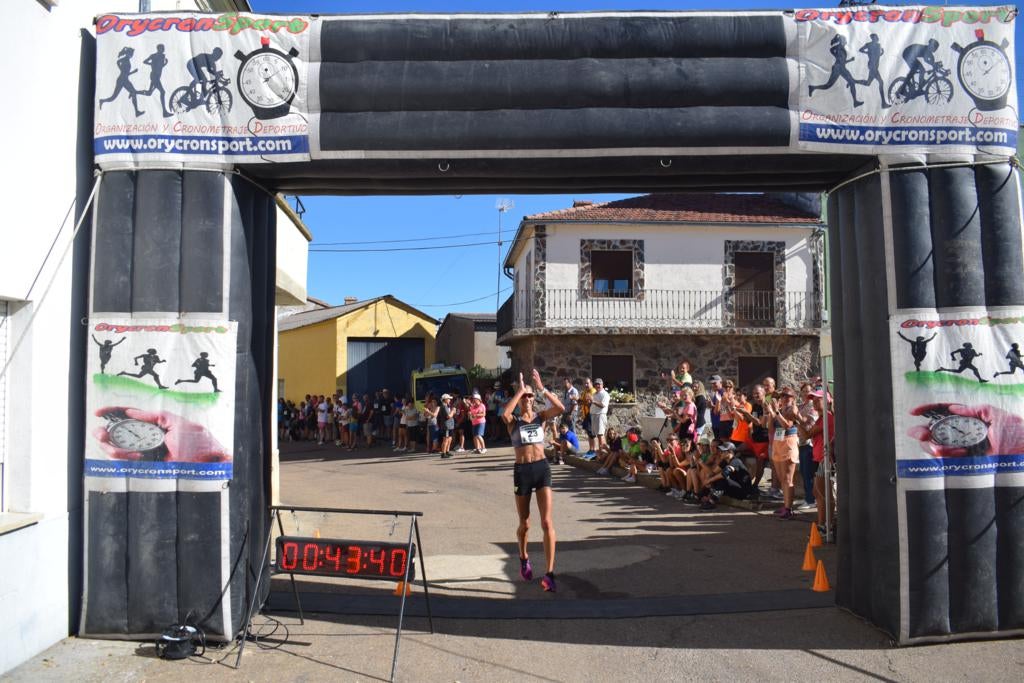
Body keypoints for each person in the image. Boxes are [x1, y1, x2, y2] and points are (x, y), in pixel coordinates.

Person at [503, 369, 564, 592]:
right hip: (522, 471)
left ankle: (549, 574)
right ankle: (523, 556)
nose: (528, 399)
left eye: (530, 396)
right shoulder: (514, 420)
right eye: (525, 397)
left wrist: (542, 389)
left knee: (547, 522)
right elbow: (504, 414)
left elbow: (560, 408)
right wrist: (520, 391)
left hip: (542, 468)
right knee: (525, 523)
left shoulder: (541, 418)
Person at [768, 387, 802, 519]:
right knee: (782, 477)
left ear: (793, 398)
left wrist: (776, 411)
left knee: (788, 478)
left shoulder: (792, 409)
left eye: (787, 396)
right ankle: (785, 505)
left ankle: (789, 508)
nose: (784, 398)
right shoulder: (780, 410)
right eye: (782, 396)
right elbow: (770, 428)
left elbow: (786, 425)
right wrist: (771, 413)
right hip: (778, 442)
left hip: (788, 442)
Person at [734, 385, 773, 496]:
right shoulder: (755, 406)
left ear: (764, 393)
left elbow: (759, 423)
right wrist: (743, 414)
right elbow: (749, 421)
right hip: (753, 439)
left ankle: (754, 486)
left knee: (760, 461)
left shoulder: (766, 405)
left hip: (763, 440)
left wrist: (746, 413)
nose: (755, 395)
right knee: (735, 450)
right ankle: (738, 478)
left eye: (758, 393)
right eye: (754, 393)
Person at [807, 34, 863, 107]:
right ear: (842, 41)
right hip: (838, 68)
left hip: (841, 67)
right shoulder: (840, 47)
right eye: (845, 40)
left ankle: (855, 102)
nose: (846, 41)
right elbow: (833, 51)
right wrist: (836, 55)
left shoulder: (841, 48)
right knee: (828, 85)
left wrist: (849, 60)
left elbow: (841, 61)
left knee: (851, 83)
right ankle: (812, 87)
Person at [796, 382, 819, 511]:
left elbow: (807, 422)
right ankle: (808, 497)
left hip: (809, 442)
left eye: (808, 391)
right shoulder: (801, 405)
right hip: (801, 441)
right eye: (804, 391)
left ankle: (811, 499)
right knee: (804, 472)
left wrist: (796, 416)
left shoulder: (812, 406)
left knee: (808, 472)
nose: (806, 393)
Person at [857, 34, 890, 108]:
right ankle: (883, 103)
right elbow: (860, 49)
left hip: (875, 65)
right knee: (881, 82)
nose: (877, 38)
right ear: (872, 38)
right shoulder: (868, 44)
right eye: (875, 37)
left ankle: (853, 81)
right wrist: (868, 53)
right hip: (872, 66)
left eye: (877, 37)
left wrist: (882, 53)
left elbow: (877, 55)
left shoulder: (878, 45)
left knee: (868, 83)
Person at [590, 378, 610, 452]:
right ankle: (602, 452)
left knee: (600, 435)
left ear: (602, 385)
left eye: (599, 384)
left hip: (600, 415)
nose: (597, 385)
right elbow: (593, 403)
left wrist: (593, 401)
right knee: (598, 435)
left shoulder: (605, 394)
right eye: (596, 384)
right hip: (594, 415)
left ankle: (602, 452)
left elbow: (602, 405)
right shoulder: (594, 393)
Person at [579, 377, 596, 455]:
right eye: (585, 383)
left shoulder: (593, 391)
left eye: (587, 383)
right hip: (586, 414)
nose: (586, 385)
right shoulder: (585, 392)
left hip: (591, 414)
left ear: (591, 383)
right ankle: (590, 449)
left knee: (592, 433)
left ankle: (594, 450)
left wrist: (581, 401)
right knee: (589, 433)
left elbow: (590, 404)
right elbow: (582, 401)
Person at [438, 393, 456, 459]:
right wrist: (453, 411)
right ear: (445, 399)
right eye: (448, 399)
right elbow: (448, 416)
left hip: (450, 425)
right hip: (446, 425)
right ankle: (443, 453)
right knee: (445, 439)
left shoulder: (447, 406)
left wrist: (452, 411)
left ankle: (447, 451)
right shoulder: (443, 406)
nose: (450, 400)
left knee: (450, 438)